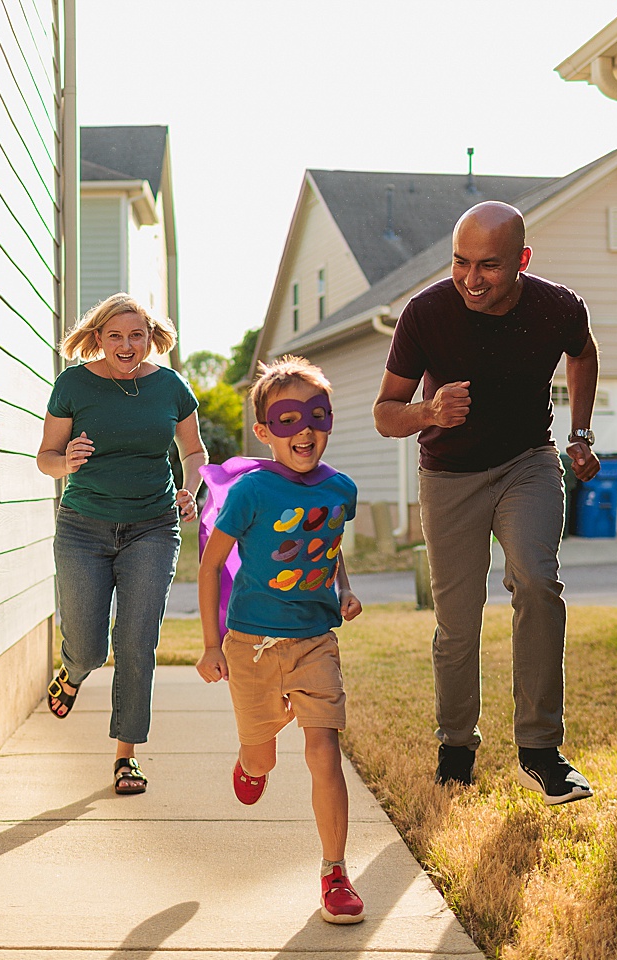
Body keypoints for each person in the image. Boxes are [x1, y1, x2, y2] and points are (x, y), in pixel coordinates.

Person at [372, 201, 600, 805]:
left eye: (489, 266)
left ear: (522, 260)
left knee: (536, 580)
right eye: (461, 263)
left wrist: (580, 432)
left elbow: (583, 352)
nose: (472, 279)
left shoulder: (557, 307)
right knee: (458, 619)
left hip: (528, 461)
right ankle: (455, 746)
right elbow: (384, 413)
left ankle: (542, 750)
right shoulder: (426, 313)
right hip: (449, 476)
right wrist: (428, 412)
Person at [195, 356, 366, 924]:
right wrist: (212, 644)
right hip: (252, 645)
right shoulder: (252, 493)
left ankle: (335, 872)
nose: (305, 431)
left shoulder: (342, 489)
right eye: (288, 420)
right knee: (262, 759)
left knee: (324, 752)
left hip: (316, 641)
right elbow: (211, 563)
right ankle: (250, 763)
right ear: (265, 431)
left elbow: (330, 543)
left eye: (317, 416)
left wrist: (343, 587)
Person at [38, 292, 207, 796]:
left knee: (137, 644)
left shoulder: (171, 387)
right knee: (89, 647)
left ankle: (126, 755)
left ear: (150, 338)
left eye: (136, 335)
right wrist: (65, 460)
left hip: (152, 527)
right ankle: (72, 672)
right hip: (83, 528)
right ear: (98, 340)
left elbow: (194, 450)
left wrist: (190, 490)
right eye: (115, 335)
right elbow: (45, 456)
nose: (126, 344)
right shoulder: (73, 385)